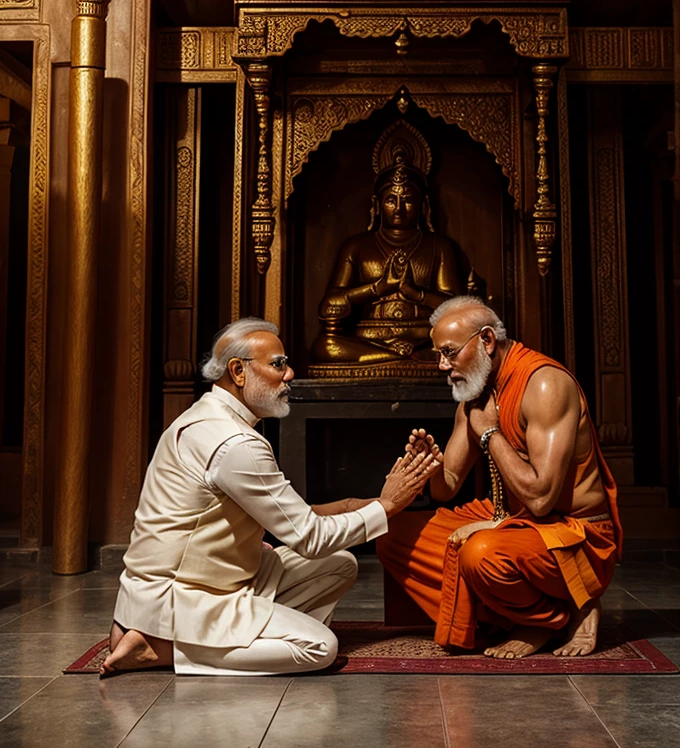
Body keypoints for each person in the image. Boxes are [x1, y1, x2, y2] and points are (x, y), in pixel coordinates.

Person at [102, 317, 437, 677]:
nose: (289, 374)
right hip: (184, 598)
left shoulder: (210, 417)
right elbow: (307, 537)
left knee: (340, 564)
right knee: (319, 647)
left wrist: (374, 501)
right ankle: (164, 648)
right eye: (278, 364)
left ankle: (232, 634)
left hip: (213, 583)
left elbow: (290, 517)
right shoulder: (234, 444)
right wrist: (388, 507)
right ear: (238, 371)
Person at [377, 295, 622, 659]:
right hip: (514, 521)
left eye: (449, 352)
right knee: (391, 534)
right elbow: (447, 489)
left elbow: (541, 499)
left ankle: (545, 618)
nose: (442, 365)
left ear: (487, 341)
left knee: (480, 554)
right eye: (438, 355)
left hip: (573, 535)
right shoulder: (476, 392)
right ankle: (519, 614)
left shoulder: (544, 385)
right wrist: (425, 467)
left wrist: (490, 434)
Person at [311, 120, 460, 366]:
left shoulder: (438, 247)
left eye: (408, 200)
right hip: (367, 341)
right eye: (391, 200)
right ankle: (396, 357)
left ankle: (399, 357)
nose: (399, 208)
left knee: (454, 348)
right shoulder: (356, 247)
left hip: (427, 341)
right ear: (377, 205)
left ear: (423, 206)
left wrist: (416, 294)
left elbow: (457, 310)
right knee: (325, 346)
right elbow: (328, 307)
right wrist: (379, 288)